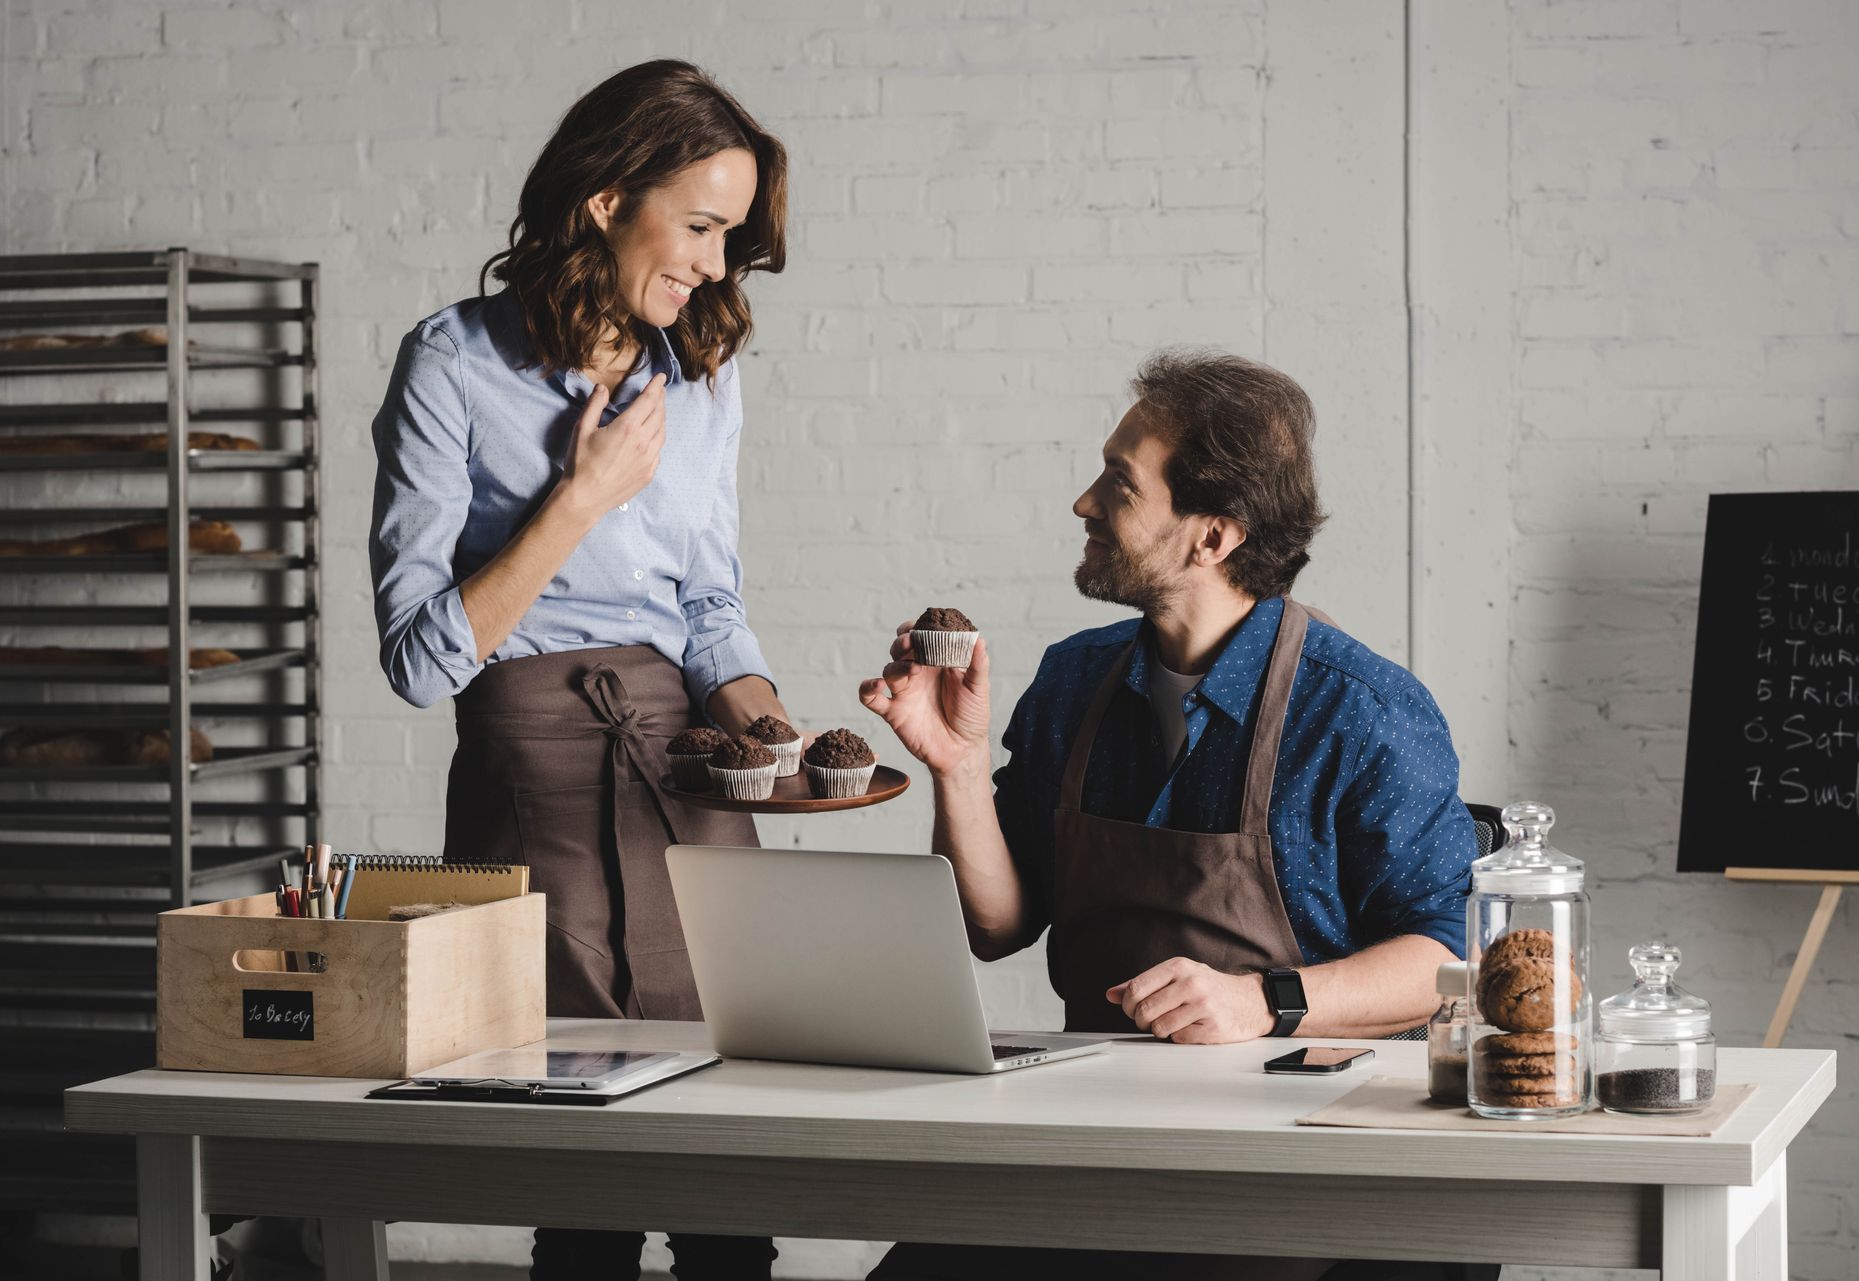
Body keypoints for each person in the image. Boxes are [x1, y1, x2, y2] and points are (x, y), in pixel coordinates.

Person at [859, 350, 1487, 1281]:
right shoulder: (1073, 680)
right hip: (1092, 1130)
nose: (1083, 502)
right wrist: (954, 765)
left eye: (1118, 482)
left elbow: (1448, 956)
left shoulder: (1361, 710)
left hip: (1300, 1152)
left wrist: (1261, 1000)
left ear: (1212, 537)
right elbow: (997, 925)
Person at [370, 60, 790, 1281]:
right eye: (703, 227)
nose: (717, 266)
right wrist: (580, 498)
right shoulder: (450, 362)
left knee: (729, 1154)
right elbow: (418, 656)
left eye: (730, 237)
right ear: (607, 200)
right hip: (528, 770)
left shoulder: (703, 378)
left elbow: (710, 609)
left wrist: (769, 733)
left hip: (685, 764)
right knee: (585, 1169)